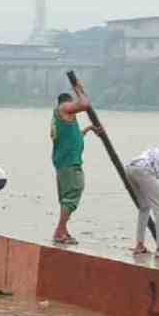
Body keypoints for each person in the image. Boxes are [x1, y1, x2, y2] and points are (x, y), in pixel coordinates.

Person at [50, 82, 99, 245]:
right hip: (69, 163)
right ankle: (59, 231)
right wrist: (78, 88)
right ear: (67, 103)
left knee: (67, 198)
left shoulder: (60, 120)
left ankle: (63, 230)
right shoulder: (63, 109)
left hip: (64, 162)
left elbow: (74, 137)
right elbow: (85, 104)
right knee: (72, 195)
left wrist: (89, 129)